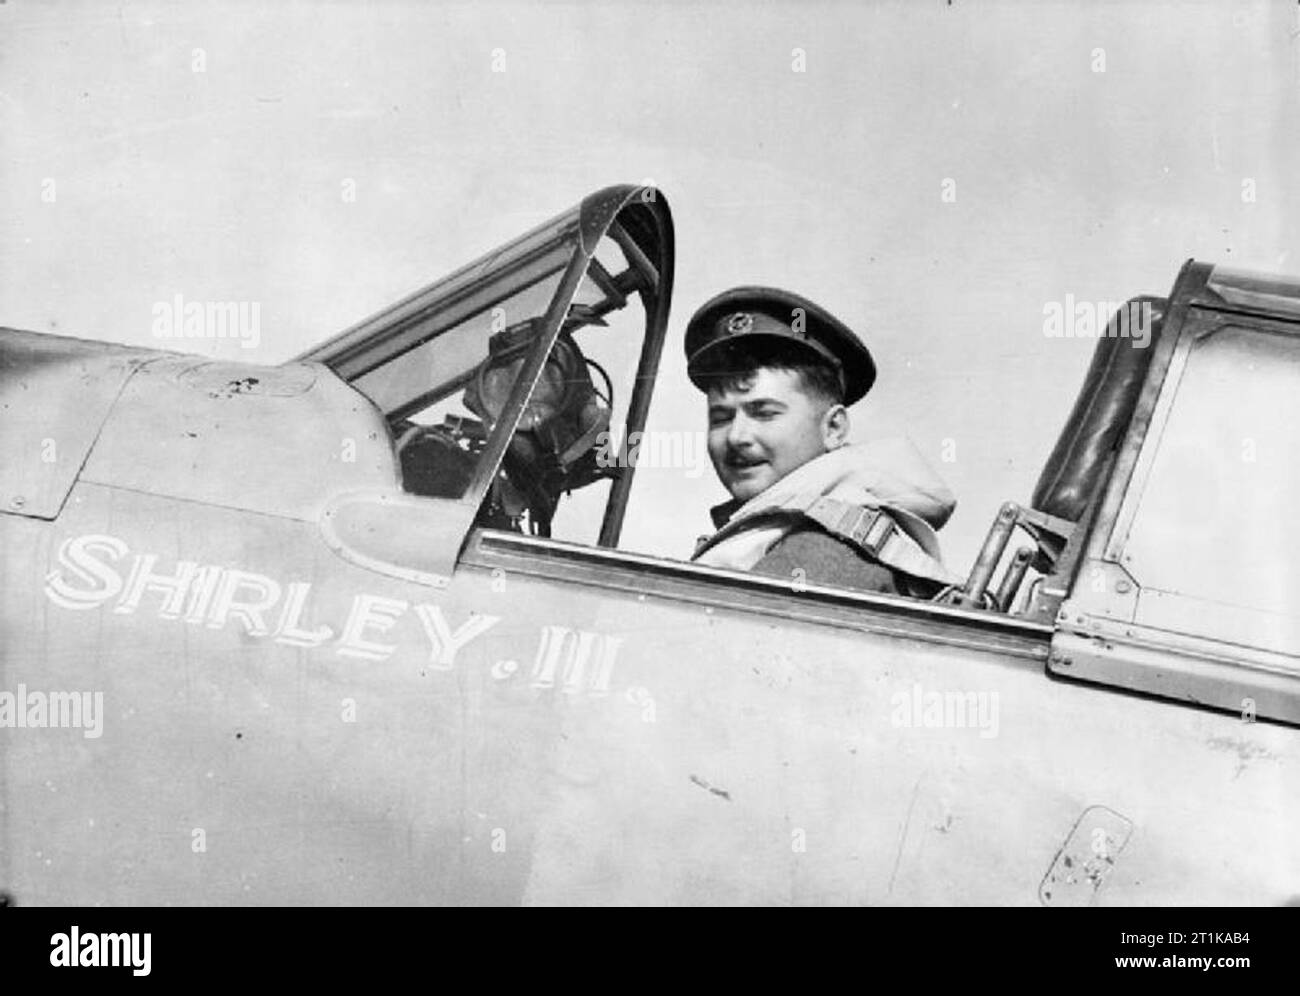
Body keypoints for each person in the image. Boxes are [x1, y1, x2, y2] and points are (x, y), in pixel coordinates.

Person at [684, 286, 960, 597]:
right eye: (720, 418)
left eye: (764, 413)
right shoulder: (788, 534)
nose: (736, 437)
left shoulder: (822, 549)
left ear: (834, 429)